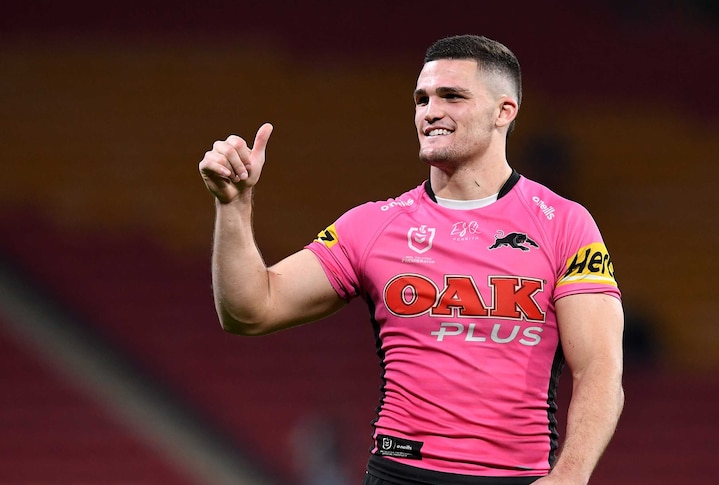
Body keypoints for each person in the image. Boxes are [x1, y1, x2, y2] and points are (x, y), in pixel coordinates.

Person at [198, 34, 624, 485]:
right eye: (422, 99)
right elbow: (250, 310)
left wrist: (569, 477)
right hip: (400, 474)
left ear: (504, 111)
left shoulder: (564, 224)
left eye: (452, 96)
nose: (430, 111)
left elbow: (600, 368)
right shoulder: (373, 225)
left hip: (518, 477)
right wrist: (234, 206)